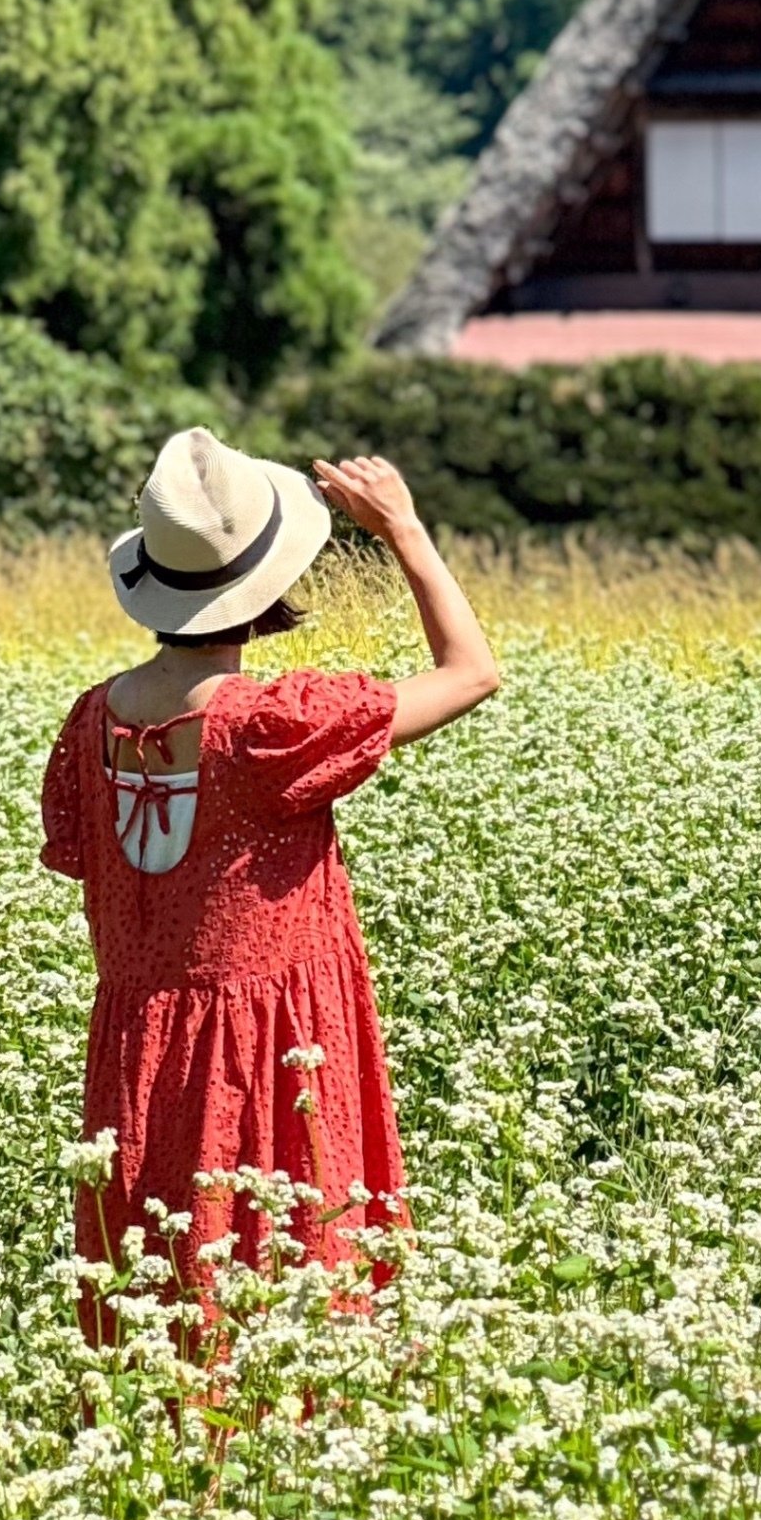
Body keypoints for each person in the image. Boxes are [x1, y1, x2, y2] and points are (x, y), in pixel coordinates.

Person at [40, 430, 499, 1347]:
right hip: (275, 1051)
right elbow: (471, 672)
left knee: (157, 1291)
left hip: (139, 1055)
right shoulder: (270, 728)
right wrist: (405, 530)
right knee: (279, 1284)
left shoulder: (91, 722)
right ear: (260, 595)